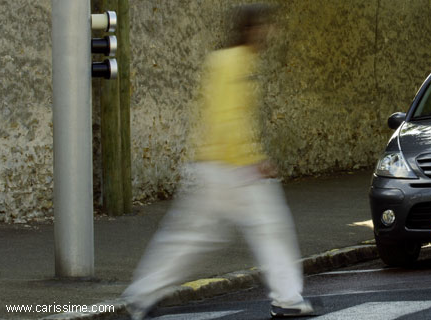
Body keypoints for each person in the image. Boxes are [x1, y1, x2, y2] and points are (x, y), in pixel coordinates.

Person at [122, 4, 314, 319]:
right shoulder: (236, 63)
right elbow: (228, 118)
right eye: (265, 27)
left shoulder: (224, 60)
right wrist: (253, 159)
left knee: (190, 238)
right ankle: (288, 299)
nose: (269, 33)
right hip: (234, 169)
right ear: (252, 29)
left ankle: (141, 296)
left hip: (211, 166)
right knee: (271, 228)